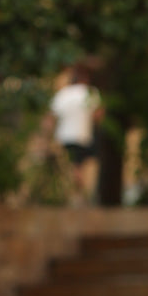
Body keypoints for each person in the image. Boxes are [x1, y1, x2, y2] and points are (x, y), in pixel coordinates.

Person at [49, 64, 101, 203]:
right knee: (80, 165)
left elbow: (51, 117)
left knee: (74, 165)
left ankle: (76, 194)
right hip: (83, 136)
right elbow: (98, 115)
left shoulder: (63, 94)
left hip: (64, 137)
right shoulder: (90, 92)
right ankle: (80, 194)